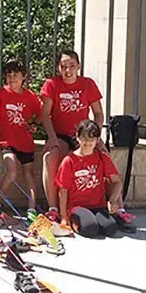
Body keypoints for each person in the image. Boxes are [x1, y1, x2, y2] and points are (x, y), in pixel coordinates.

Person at [40, 50, 105, 221]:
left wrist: (95, 137)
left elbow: (98, 113)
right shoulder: (51, 84)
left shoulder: (88, 84)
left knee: (104, 156)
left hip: (83, 135)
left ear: (78, 67)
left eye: (72, 66)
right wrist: (52, 138)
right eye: (63, 67)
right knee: (50, 157)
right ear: (58, 68)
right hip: (60, 135)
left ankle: (114, 206)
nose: (68, 71)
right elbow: (45, 115)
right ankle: (53, 207)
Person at [55, 120, 136, 237]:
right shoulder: (69, 160)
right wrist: (63, 217)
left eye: (91, 140)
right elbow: (63, 191)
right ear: (77, 137)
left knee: (110, 229)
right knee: (90, 228)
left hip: (97, 205)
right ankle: (76, 223)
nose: (87, 143)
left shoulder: (101, 157)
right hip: (77, 206)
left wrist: (112, 200)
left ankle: (98, 221)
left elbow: (117, 182)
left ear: (97, 140)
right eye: (84, 139)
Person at [0, 60, 41, 222]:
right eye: (8, 75)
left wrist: (35, 125)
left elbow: (41, 112)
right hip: (7, 141)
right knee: (11, 171)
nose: (12, 78)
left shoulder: (30, 96)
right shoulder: (1, 93)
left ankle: (31, 208)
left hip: (26, 142)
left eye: (15, 75)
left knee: (28, 173)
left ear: (24, 77)